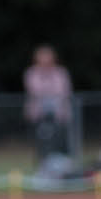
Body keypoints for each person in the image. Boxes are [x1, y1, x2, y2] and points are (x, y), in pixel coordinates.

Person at [23, 43, 73, 171]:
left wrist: (47, 91)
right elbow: (35, 90)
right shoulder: (31, 73)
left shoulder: (61, 73)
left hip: (59, 116)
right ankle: (42, 169)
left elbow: (63, 91)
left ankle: (61, 169)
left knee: (59, 142)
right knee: (42, 143)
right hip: (39, 116)